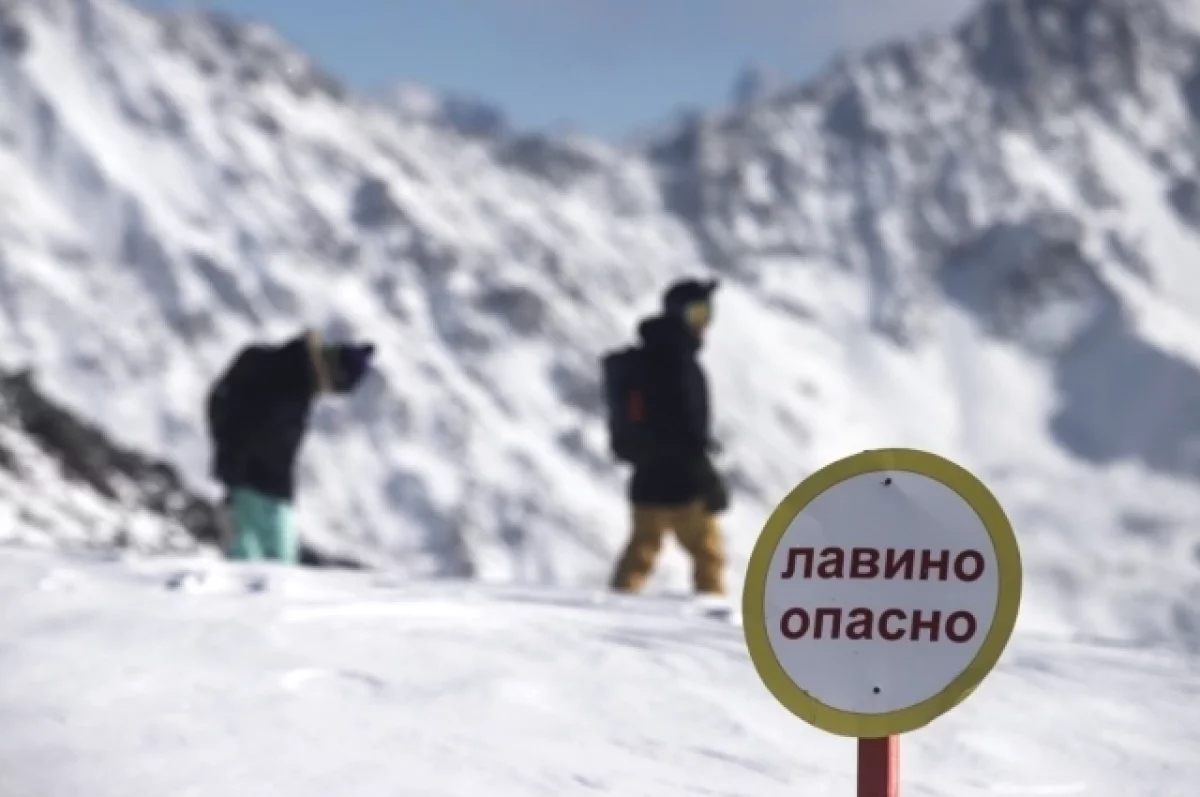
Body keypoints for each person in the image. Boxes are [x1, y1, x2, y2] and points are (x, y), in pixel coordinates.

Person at [204, 328, 375, 563]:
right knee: (261, 569)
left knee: (262, 568)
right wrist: (234, 471)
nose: (329, 393)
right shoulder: (286, 381)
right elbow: (247, 427)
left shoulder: (292, 375)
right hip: (256, 486)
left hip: (264, 488)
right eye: (337, 387)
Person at [607, 277, 729, 596]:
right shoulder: (679, 364)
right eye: (697, 314)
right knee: (708, 557)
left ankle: (611, 612)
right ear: (679, 314)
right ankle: (714, 622)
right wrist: (707, 478)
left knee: (639, 555)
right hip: (683, 484)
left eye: (707, 314)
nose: (704, 324)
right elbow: (687, 429)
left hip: (646, 481)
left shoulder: (646, 359)